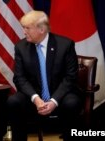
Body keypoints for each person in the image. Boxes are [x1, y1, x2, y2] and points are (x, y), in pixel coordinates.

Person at [7, 10, 82, 141]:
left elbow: (70, 77)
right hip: (34, 97)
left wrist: (53, 101)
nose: (24, 32)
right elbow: (19, 78)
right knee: (13, 102)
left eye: (27, 28)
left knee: (72, 103)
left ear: (41, 29)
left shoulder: (65, 45)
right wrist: (36, 99)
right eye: (23, 28)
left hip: (60, 95)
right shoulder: (21, 47)